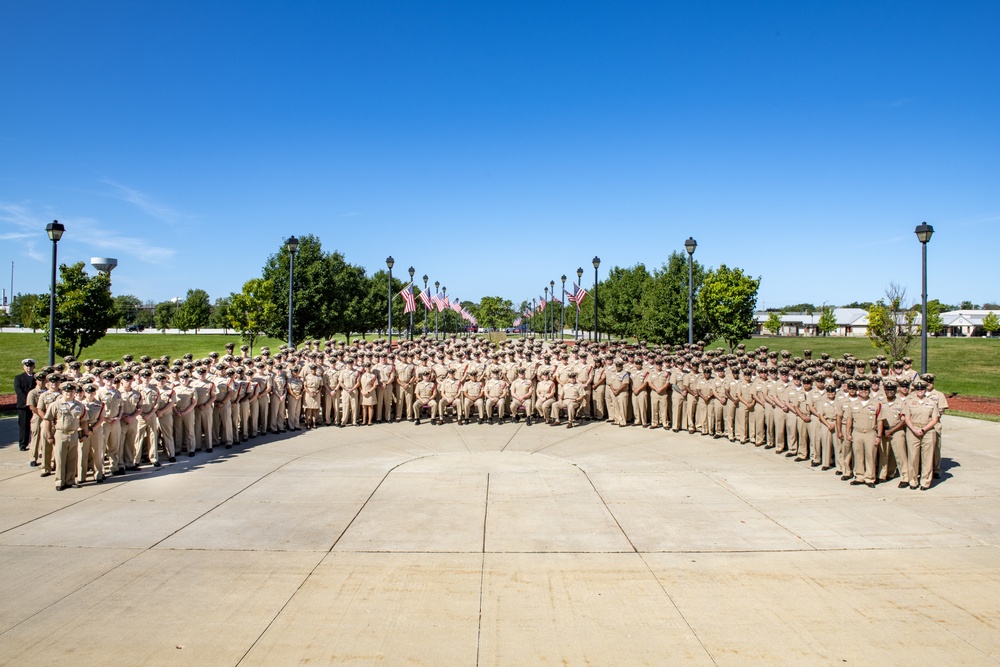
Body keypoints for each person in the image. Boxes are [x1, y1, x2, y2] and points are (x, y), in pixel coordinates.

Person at [14, 359, 36, 451]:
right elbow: (19, 391)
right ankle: (23, 443)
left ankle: (34, 443)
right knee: (24, 425)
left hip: (34, 405)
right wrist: (28, 401)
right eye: (27, 366)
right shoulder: (19, 378)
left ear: (33, 367)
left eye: (30, 366)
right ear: (24, 367)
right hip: (23, 405)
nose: (28, 368)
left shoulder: (36, 377)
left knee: (35, 425)